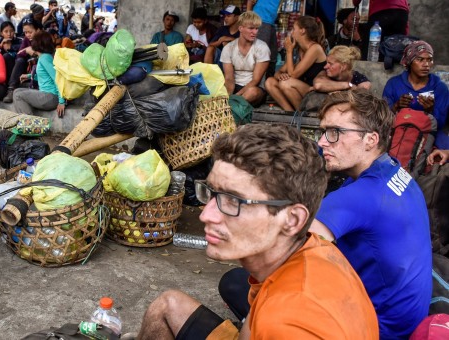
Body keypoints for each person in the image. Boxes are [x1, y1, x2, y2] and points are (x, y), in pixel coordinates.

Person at [136, 123, 378, 339]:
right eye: (212, 193)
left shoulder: (286, 325)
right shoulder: (314, 246)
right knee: (168, 304)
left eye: (234, 201)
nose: (205, 215)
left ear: (292, 219)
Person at [310, 89, 432, 339]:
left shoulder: (360, 195)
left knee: (237, 283)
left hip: (377, 329)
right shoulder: (394, 170)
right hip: (406, 320)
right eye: (322, 131)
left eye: (335, 133)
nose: (322, 142)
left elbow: (285, 249)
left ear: (371, 139)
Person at [383, 41, 449, 149]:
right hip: (398, 128)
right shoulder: (394, 84)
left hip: (429, 131)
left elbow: (440, 124)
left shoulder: (440, 88)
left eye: (429, 59)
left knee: (446, 149)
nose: (426, 65)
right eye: (420, 59)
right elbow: (383, 118)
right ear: (409, 62)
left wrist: (430, 111)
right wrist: (396, 106)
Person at [264, 16, 327, 111]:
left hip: (314, 93)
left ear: (302, 31)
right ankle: (290, 112)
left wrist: (289, 51)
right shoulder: (299, 49)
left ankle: (301, 115)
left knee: (285, 83)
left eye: (294, 29)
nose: (291, 32)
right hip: (300, 90)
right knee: (270, 82)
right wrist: (281, 76)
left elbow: (293, 75)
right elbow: (279, 72)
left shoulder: (315, 48)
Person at [220, 11, 269, 106]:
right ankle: (232, 106)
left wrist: (236, 97)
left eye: (256, 29)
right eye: (251, 28)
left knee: (252, 92)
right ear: (241, 28)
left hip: (254, 88)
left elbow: (256, 80)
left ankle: (232, 106)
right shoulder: (228, 48)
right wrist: (228, 95)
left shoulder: (262, 47)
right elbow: (229, 78)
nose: (255, 32)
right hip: (235, 86)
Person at [12, 31, 66, 118]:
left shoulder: (45, 58)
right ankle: (29, 122)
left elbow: (57, 78)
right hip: (46, 94)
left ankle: (30, 125)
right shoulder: (43, 57)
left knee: (18, 95)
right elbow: (45, 76)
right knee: (17, 91)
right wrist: (29, 76)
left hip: (51, 97)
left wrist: (61, 102)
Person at [3, 19, 42, 103]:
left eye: (30, 32)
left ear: (38, 30)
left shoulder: (43, 39)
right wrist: (27, 50)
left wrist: (35, 52)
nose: (28, 35)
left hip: (38, 68)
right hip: (26, 66)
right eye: (26, 32)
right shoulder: (26, 40)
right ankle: (11, 89)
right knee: (17, 59)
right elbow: (19, 54)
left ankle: (12, 87)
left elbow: (46, 57)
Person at [246, 0, 280, 71]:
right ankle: (258, 80)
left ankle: (268, 80)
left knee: (272, 57)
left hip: (270, 22)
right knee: (261, 57)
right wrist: (248, 19)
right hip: (261, 21)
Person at [0, 21, 21, 88]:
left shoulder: (19, 40)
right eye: (6, 31)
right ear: (1, 33)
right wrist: (1, 46)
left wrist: (11, 47)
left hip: (16, 66)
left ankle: (11, 84)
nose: (9, 34)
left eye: (11, 31)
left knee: (7, 56)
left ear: (14, 31)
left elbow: (22, 49)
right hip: (2, 69)